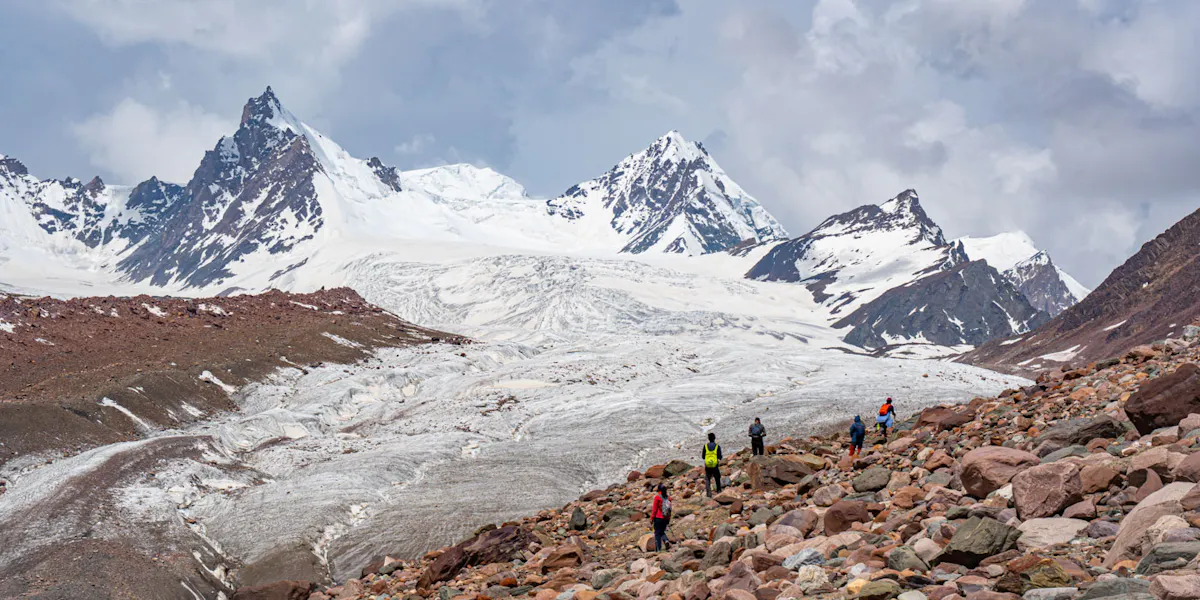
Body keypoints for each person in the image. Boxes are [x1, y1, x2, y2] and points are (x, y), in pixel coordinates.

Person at [650, 483, 671, 551]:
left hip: (658, 518)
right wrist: (668, 519)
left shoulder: (657, 497)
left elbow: (654, 509)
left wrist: (652, 518)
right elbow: (669, 509)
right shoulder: (668, 498)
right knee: (662, 531)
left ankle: (658, 549)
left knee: (657, 533)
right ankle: (666, 540)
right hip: (665, 518)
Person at [702, 432, 723, 497]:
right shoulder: (717, 446)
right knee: (717, 477)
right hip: (715, 465)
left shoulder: (705, 446)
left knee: (708, 478)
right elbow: (720, 456)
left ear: (708, 439)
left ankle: (709, 494)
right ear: (714, 438)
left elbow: (703, 456)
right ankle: (719, 491)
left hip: (708, 465)